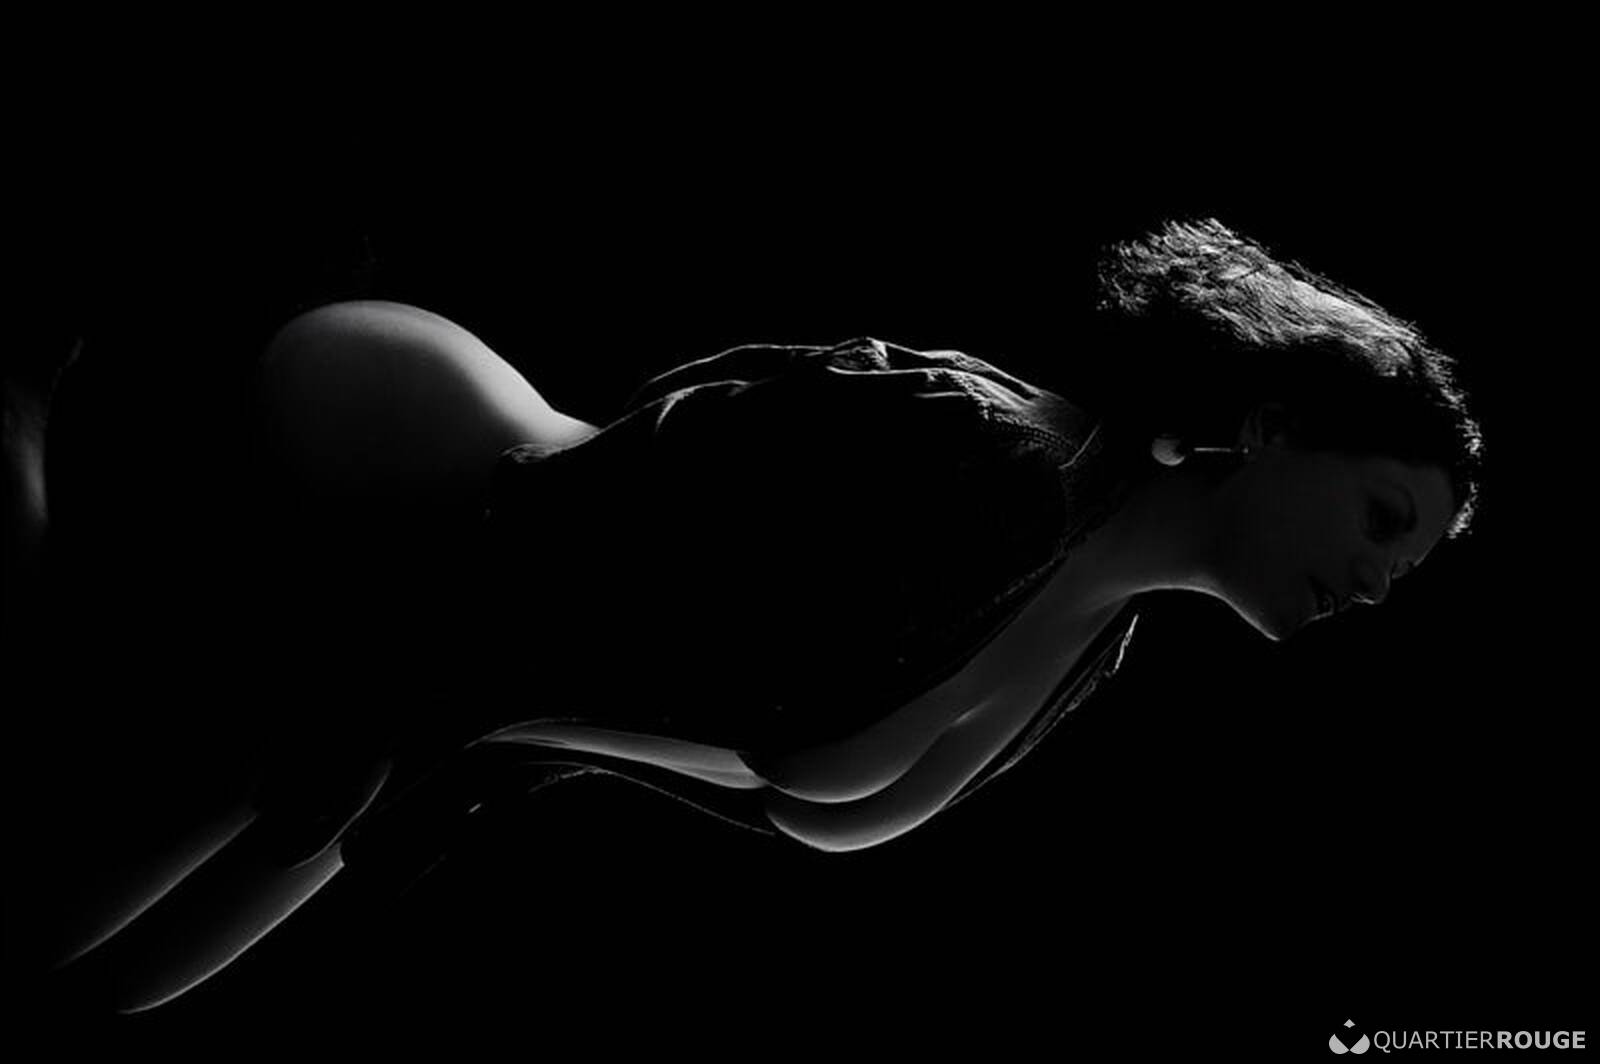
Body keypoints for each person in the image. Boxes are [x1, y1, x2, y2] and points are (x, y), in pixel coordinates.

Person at [11, 217, 1483, 1011]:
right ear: (1275, 428)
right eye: (1381, 519)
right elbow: (625, 497)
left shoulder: (1095, 646)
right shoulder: (981, 454)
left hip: (425, 707)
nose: (1376, 585)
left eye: (1404, 573)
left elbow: (752, 780)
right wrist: (382, 725)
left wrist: (434, 759)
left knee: (108, 989)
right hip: (405, 492)